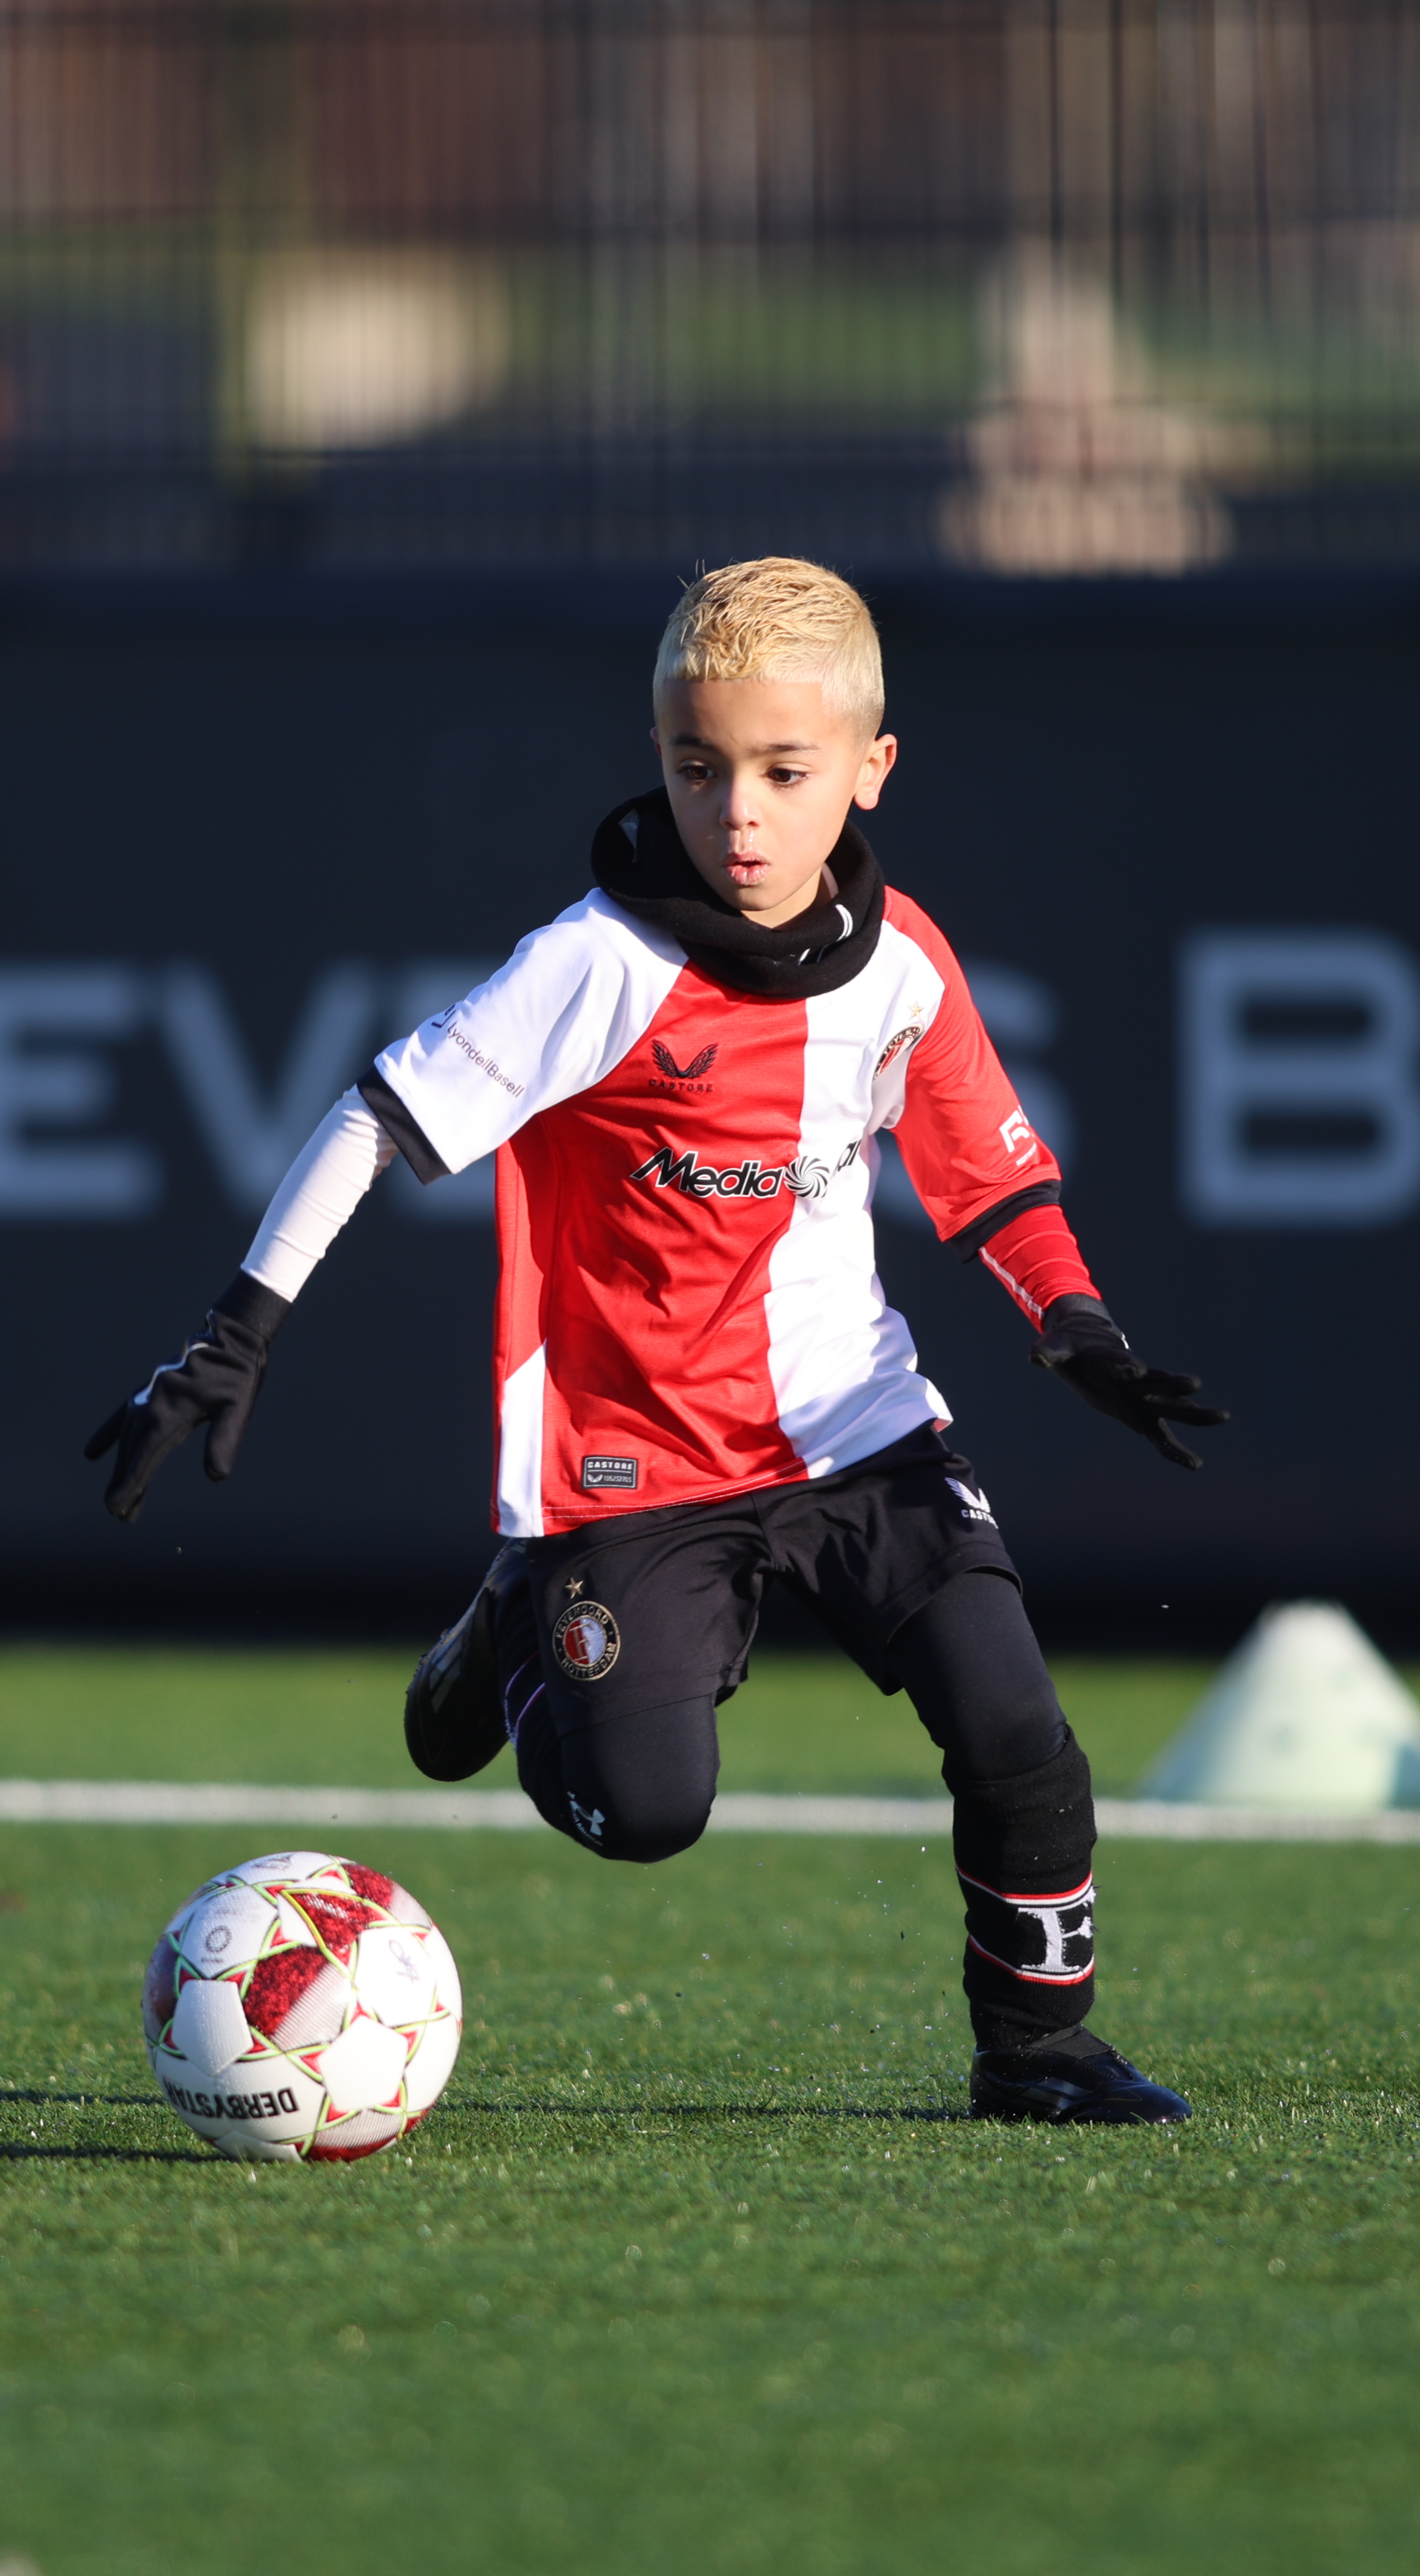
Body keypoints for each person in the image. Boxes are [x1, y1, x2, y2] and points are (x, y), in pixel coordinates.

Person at [87, 557, 1222, 2124]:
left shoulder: (903, 964)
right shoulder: (600, 962)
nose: (738, 815)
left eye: (783, 770)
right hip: (632, 1467)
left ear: (871, 770)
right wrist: (237, 1331)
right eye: (699, 770)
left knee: (1020, 1728)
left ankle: (1037, 2051)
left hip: (859, 1427)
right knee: (648, 1813)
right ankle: (514, 1622)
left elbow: (993, 1182)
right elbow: (373, 1116)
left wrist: (1074, 1323)